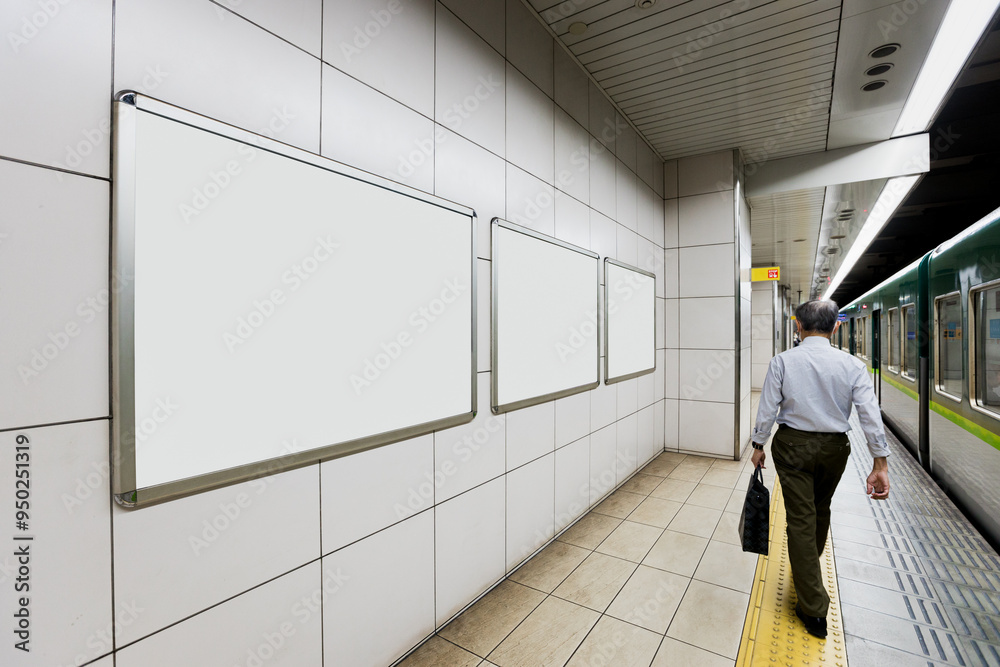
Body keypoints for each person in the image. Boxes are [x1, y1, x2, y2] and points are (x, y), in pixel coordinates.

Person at [751, 299, 890, 639]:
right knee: (819, 507)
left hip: (793, 446)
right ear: (836, 327)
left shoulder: (783, 361)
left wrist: (758, 445)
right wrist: (880, 462)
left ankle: (813, 607)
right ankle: (809, 569)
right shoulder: (853, 365)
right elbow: (869, 414)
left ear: (798, 326)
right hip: (834, 449)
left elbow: (768, 407)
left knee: (801, 517)